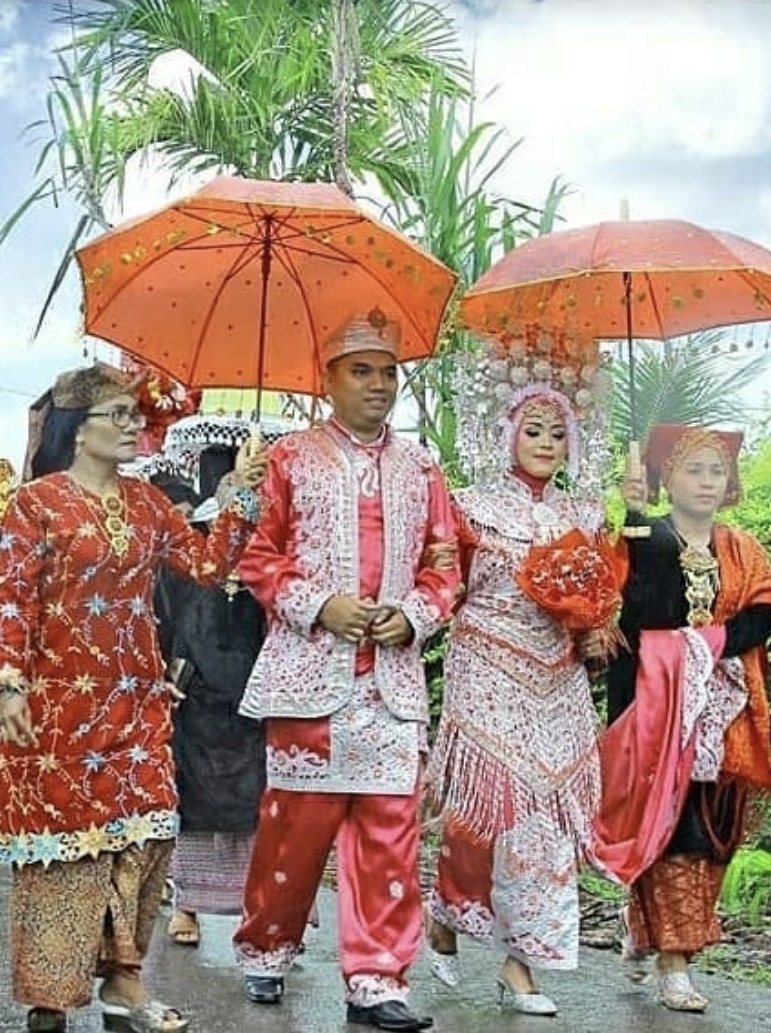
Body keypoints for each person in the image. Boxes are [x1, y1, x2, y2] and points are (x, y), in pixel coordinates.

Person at [0, 362, 266, 1033]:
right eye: (117, 414)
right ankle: (51, 991)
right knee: (67, 852)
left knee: (143, 836)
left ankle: (123, 982)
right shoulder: (38, 503)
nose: (133, 425)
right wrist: (9, 686)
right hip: (54, 707)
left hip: (137, 700)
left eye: (136, 415)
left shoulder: (148, 507)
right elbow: (14, 599)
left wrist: (236, 498)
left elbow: (205, 568)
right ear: (77, 430)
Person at [232, 311, 460, 1033]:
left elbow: (444, 564)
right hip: (308, 676)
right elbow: (257, 556)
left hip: (389, 683)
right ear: (326, 378)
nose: (377, 384)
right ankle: (266, 944)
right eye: (361, 370)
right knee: (294, 830)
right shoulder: (288, 457)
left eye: (387, 371)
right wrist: (318, 604)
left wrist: (416, 615)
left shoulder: (422, 466)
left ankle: (376, 977)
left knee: (390, 832)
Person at [425, 357, 608, 1015]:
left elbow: (600, 594)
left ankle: (520, 963)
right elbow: (443, 585)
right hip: (486, 661)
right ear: (506, 433)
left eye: (557, 433)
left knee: (548, 815)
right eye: (533, 429)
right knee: (485, 806)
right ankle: (448, 910)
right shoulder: (469, 507)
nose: (544, 443)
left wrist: (592, 625)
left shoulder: (585, 516)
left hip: (556, 673)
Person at [595, 424, 771, 1013]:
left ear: (728, 485)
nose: (705, 481)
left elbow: (764, 610)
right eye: (693, 470)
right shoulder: (645, 535)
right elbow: (637, 612)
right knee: (670, 834)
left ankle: (646, 930)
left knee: (713, 837)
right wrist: (638, 516)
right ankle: (676, 965)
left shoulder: (743, 549)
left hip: (724, 713)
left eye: (715, 471)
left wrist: (709, 643)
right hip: (655, 711)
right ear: (666, 476)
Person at [154, 445, 270, 947]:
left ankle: (265, 912)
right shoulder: (188, 547)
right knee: (194, 799)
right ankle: (187, 905)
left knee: (260, 805)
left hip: (258, 683)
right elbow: (164, 612)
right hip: (195, 687)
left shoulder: (272, 539)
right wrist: (167, 672)